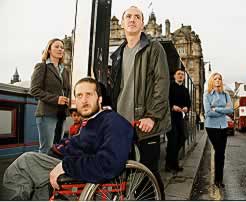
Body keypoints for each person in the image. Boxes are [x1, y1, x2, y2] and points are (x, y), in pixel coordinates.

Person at [2, 77, 134, 200]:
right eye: (79, 96)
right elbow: (80, 144)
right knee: (36, 188)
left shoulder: (115, 123)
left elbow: (109, 164)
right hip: (71, 166)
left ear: (99, 99)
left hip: (85, 177)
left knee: (23, 164)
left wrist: (66, 166)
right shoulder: (91, 122)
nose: (84, 100)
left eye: (89, 94)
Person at [109, 5, 171, 199]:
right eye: (129, 16)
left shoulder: (154, 48)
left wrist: (152, 116)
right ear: (122, 22)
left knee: (148, 173)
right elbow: (116, 87)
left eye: (137, 16)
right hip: (122, 122)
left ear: (143, 23)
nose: (132, 19)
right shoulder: (117, 53)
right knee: (126, 173)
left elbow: (161, 83)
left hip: (145, 123)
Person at [30, 38, 71, 153]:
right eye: (56, 47)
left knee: (58, 149)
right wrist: (56, 99)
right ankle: (41, 171)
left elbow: (66, 90)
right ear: (49, 49)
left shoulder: (65, 71)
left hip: (62, 114)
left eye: (62, 47)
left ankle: (52, 171)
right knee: (46, 149)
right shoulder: (42, 66)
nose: (60, 49)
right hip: (46, 113)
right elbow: (34, 90)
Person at [203, 72, 233, 188]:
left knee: (221, 154)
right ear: (212, 81)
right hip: (211, 127)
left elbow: (230, 110)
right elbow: (208, 112)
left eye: (219, 78)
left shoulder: (225, 94)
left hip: (223, 126)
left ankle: (219, 180)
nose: (218, 80)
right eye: (215, 78)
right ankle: (217, 180)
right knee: (219, 151)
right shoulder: (207, 94)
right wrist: (222, 110)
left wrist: (217, 109)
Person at [165, 69, 191, 172]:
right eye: (178, 74)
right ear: (175, 76)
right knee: (173, 140)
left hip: (180, 117)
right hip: (170, 117)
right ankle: (170, 165)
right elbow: (165, 100)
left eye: (182, 75)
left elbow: (188, 103)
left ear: (184, 78)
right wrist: (172, 107)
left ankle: (171, 161)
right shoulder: (170, 87)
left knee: (183, 137)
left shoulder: (185, 89)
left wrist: (186, 108)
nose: (180, 76)